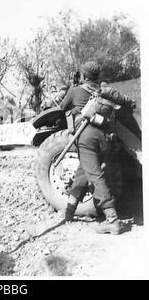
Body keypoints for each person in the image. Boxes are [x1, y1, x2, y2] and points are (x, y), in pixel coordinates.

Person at [60, 61, 135, 234]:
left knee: (94, 175)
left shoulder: (75, 90)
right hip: (107, 138)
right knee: (83, 172)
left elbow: (62, 107)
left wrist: (72, 87)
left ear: (84, 76)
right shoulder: (103, 91)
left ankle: (112, 219)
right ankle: (69, 212)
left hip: (87, 137)